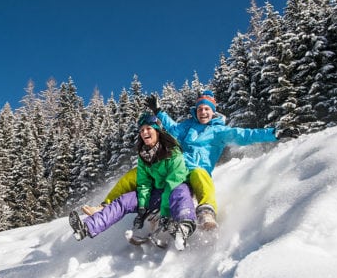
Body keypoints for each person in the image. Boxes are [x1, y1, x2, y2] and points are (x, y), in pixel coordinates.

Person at [83, 90, 300, 230]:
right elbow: (170, 127)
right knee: (135, 175)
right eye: (200, 109)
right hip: (174, 168)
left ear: (213, 112)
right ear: (195, 111)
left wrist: (275, 133)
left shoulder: (220, 131)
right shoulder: (187, 126)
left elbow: (245, 135)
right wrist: (158, 111)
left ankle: (205, 211)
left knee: (200, 175)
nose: (203, 112)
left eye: (207, 109)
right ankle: (105, 207)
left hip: (195, 171)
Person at [69, 113, 196, 249]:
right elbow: (144, 184)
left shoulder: (173, 151)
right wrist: (142, 207)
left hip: (177, 189)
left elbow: (174, 182)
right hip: (158, 193)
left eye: (148, 129)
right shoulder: (144, 156)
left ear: (157, 131)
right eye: (141, 130)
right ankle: (86, 227)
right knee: (125, 200)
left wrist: (164, 212)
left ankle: (184, 226)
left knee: (179, 191)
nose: (144, 132)